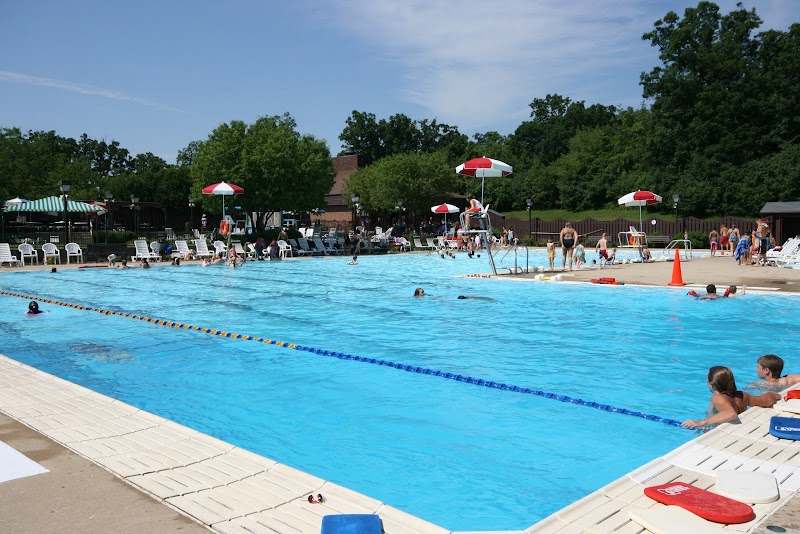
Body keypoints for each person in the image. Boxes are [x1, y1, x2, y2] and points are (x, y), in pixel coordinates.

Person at [681, 366, 780, 429]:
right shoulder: (742, 395)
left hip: (721, 433)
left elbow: (731, 414)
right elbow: (766, 400)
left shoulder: (717, 398)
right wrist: (775, 396)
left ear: (711, 384)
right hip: (740, 428)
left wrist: (700, 423)